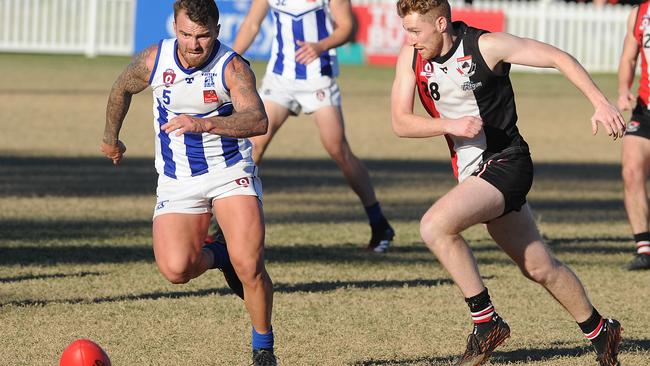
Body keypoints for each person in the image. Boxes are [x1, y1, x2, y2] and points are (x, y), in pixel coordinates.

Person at [391, 1, 625, 365]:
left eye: (416, 31)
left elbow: (558, 57)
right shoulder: (410, 57)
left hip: (507, 163)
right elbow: (400, 122)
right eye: (406, 31)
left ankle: (486, 323)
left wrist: (600, 102)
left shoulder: (486, 46)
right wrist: (448, 125)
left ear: (440, 23)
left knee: (435, 226)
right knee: (538, 267)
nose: (410, 40)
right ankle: (601, 331)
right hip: (475, 174)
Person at [101, 1, 277, 364]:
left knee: (250, 266)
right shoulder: (155, 59)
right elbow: (121, 88)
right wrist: (111, 138)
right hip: (177, 178)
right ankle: (220, 255)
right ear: (174, 28)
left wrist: (207, 123)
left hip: (229, 172)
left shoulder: (233, 68)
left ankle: (263, 349)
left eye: (203, 35)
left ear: (217, 30)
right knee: (176, 269)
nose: (194, 44)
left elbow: (258, 121)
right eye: (185, 34)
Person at [231, 0, 395, 252]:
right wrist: (229, 62)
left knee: (338, 150)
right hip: (280, 79)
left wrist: (321, 46)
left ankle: (379, 223)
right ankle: (225, 225)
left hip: (318, 79)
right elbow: (252, 24)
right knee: (253, 146)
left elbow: (347, 26)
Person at [617, 1, 650, 271]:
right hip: (645, 108)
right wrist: (623, 90)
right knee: (631, 171)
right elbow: (629, 56)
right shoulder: (639, 14)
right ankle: (644, 249)